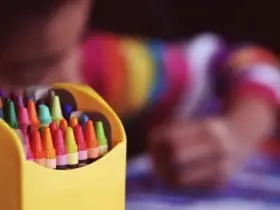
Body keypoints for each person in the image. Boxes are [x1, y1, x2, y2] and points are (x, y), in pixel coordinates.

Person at [0, 0, 279, 188]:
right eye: (25, 69)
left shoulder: (93, 65)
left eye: (75, 42)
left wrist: (237, 134)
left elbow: (243, 64)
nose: (71, 80)